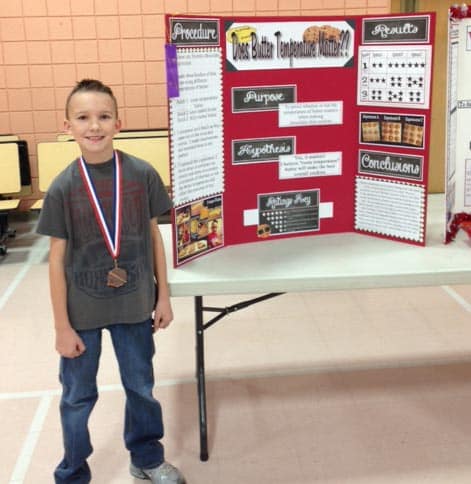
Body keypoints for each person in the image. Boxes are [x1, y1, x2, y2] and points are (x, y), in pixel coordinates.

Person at [36, 79, 186, 484]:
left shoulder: (141, 174)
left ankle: (146, 457)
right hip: (81, 310)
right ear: (67, 125)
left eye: (103, 116)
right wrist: (61, 326)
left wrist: (164, 296)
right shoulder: (63, 187)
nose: (94, 126)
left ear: (119, 122)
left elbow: (155, 236)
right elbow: (56, 259)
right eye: (83, 118)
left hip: (135, 302)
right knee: (77, 396)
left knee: (141, 387)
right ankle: (71, 471)